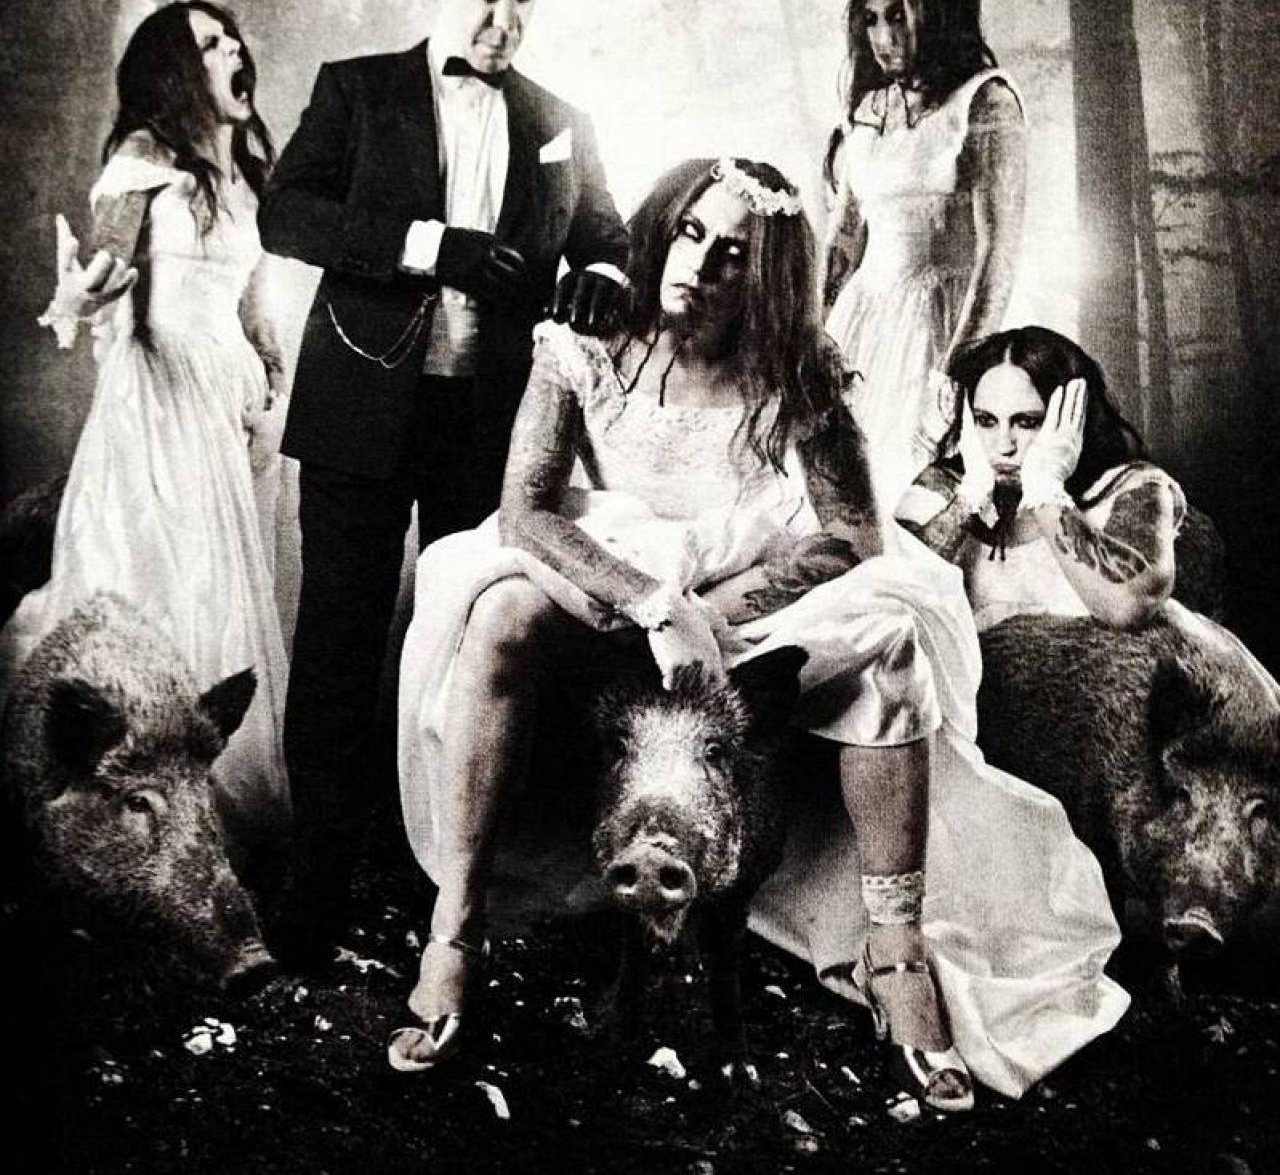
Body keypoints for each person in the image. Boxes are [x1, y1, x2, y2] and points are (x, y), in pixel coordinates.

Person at [392, 157, 1128, 1106]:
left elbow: (856, 534)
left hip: (743, 597)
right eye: (691, 233)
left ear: (768, 272)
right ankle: (455, 928)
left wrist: (713, 612)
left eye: (733, 253)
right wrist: (654, 604)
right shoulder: (585, 341)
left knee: (891, 638)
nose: (700, 263)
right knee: (499, 609)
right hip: (612, 591)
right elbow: (526, 510)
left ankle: (896, 951)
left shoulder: (796, 369)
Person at [258, 0, 630, 969]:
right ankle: (318, 881)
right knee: (338, 645)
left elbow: (607, 236)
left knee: (473, 646)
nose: (506, 19)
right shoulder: (358, 89)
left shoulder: (560, 121)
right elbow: (286, 212)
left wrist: (605, 276)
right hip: (360, 409)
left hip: (490, 428)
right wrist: (428, 244)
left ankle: (455, 877)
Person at [5, 0, 290, 848]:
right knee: (159, 578)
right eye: (210, 44)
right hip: (159, 397)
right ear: (173, 71)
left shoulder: (243, 173)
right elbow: (103, 268)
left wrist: (271, 374)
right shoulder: (145, 156)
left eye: (233, 37)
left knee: (225, 590)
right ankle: (117, 807)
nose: (233, 51)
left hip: (227, 399)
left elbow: (249, 298)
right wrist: (81, 293)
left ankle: (200, 811)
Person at [820, 0, 1026, 509]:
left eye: (898, 16)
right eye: (871, 19)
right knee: (831, 484)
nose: (883, 37)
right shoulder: (867, 110)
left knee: (914, 491)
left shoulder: (986, 101)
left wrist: (957, 371)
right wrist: (813, 336)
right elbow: (843, 239)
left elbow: (997, 254)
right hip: (861, 321)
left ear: (937, 13)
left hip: (942, 327)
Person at [896, 325, 1217, 640]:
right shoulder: (943, 487)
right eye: (986, 421)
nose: (1003, 445)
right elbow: (883, 603)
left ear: (1073, 417)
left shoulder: (1131, 487)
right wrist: (969, 497)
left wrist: (1046, 489)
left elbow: (1127, 607)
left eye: (1027, 422)